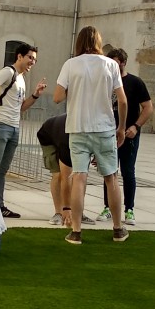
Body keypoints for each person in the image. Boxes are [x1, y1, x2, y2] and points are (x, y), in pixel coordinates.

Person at [53, 26, 129, 245]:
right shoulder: (111, 65)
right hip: (104, 127)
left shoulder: (71, 64)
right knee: (111, 178)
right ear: (98, 42)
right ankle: (117, 229)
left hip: (77, 127)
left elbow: (57, 97)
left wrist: (75, 87)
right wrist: (121, 128)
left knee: (79, 177)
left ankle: (76, 231)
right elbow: (122, 100)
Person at [0, 43, 46, 218]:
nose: (32, 62)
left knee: (2, 170)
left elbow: (21, 107)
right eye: (30, 57)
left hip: (14, 128)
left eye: (35, 59)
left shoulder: (22, 79)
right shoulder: (8, 72)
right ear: (20, 56)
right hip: (0, 125)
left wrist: (36, 95)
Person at [96, 48, 153, 226]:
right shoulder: (105, 81)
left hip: (129, 134)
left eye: (116, 62)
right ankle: (108, 207)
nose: (113, 66)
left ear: (123, 63)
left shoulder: (135, 82)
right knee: (108, 171)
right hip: (108, 133)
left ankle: (129, 209)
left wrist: (135, 126)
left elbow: (148, 107)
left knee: (128, 171)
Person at [36, 113, 94, 227]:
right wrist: (66, 209)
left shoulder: (90, 134)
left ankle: (78, 211)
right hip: (48, 136)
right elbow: (65, 177)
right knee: (58, 174)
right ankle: (58, 212)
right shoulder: (66, 139)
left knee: (80, 175)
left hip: (65, 133)